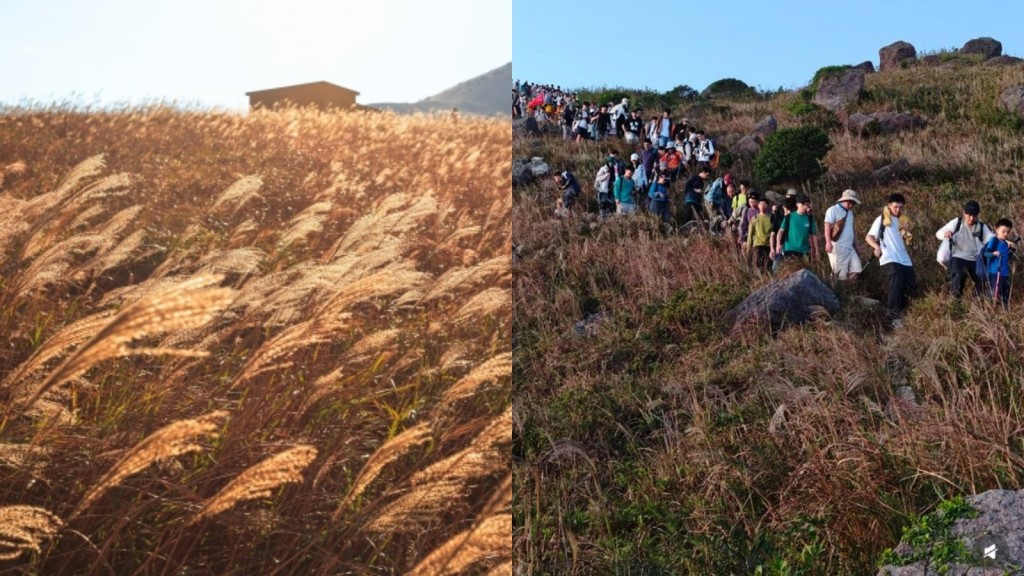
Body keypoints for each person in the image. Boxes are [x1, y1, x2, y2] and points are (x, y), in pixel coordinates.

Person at [866, 193, 916, 325]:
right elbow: (869, 237)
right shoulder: (881, 219)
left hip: (903, 257)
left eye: (900, 207)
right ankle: (893, 317)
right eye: (895, 207)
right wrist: (876, 247)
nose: (898, 210)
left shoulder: (903, 220)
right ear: (889, 205)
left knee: (912, 282)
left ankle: (905, 312)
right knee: (897, 281)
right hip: (888, 256)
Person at [934, 200, 994, 299]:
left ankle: (976, 302)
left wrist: (1005, 242)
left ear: (978, 215)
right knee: (959, 275)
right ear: (964, 213)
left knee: (983, 279)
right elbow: (939, 233)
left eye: (974, 216)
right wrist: (946, 233)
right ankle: (955, 302)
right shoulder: (957, 222)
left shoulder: (981, 226)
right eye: (969, 215)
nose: (971, 218)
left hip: (975, 259)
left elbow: (992, 238)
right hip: (958, 256)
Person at [824, 189, 864, 281]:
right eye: (849, 202)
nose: (851, 205)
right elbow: (827, 226)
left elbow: (852, 229)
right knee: (840, 275)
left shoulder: (850, 213)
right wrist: (828, 242)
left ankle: (845, 287)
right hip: (838, 246)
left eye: (853, 203)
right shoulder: (832, 210)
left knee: (857, 270)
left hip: (849, 247)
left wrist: (856, 244)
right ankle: (837, 288)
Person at [981, 218, 1016, 309]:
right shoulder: (994, 241)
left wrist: (1012, 250)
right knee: (994, 292)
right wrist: (993, 253)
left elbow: (1007, 258)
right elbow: (986, 254)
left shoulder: (1005, 243)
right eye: (1003, 231)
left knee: (1005, 293)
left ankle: (1005, 311)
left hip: (1004, 273)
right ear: (997, 229)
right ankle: (989, 309)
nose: (1005, 234)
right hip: (994, 272)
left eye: (1008, 232)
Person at [778, 195, 820, 262]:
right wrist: (778, 244)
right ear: (797, 204)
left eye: (807, 204)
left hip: (805, 251)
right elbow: (781, 231)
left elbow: (813, 235)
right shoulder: (789, 216)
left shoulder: (810, 218)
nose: (805, 206)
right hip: (790, 249)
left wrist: (817, 250)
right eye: (802, 204)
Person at [747, 197, 774, 273]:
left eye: (764, 204)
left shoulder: (771, 218)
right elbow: (750, 234)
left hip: (768, 245)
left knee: (768, 266)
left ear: (767, 206)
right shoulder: (755, 218)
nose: (762, 206)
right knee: (759, 265)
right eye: (760, 204)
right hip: (758, 245)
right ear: (758, 205)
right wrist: (749, 248)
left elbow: (773, 233)